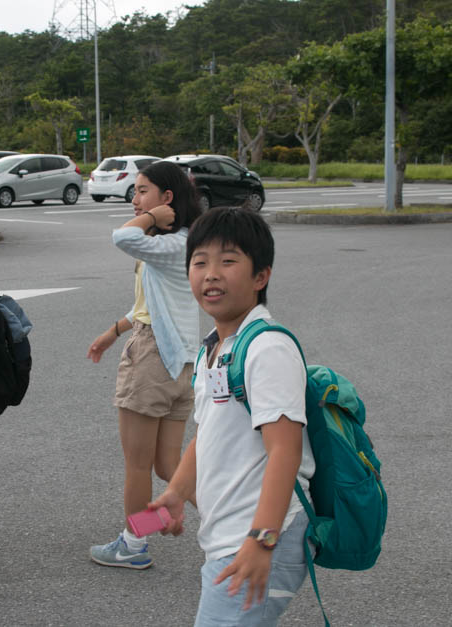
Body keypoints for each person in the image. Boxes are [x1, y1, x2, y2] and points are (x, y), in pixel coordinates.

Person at [149, 207, 316, 625]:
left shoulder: (268, 348)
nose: (211, 274)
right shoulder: (218, 346)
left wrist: (262, 542)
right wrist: (176, 492)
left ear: (261, 276)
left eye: (228, 261)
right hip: (229, 535)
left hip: (259, 534)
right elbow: (208, 434)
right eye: (200, 262)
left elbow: (285, 452)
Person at [86, 160, 201, 569]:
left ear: (167, 199)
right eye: (135, 192)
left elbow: (121, 237)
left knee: (137, 465)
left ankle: (134, 545)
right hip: (182, 364)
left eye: (142, 191)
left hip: (153, 359)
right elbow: (154, 307)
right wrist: (114, 330)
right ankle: (234, 523)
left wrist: (152, 217)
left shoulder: (170, 244)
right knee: (168, 464)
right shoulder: (186, 243)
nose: (135, 200)